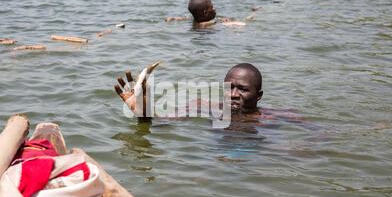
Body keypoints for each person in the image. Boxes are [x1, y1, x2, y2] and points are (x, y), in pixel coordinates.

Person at [114, 63, 304, 125]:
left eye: (243, 89)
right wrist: (144, 114)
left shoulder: (272, 118)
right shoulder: (203, 106)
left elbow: (322, 133)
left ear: (259, 95)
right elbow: (161, 122)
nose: (233, 94)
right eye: (229, 87)